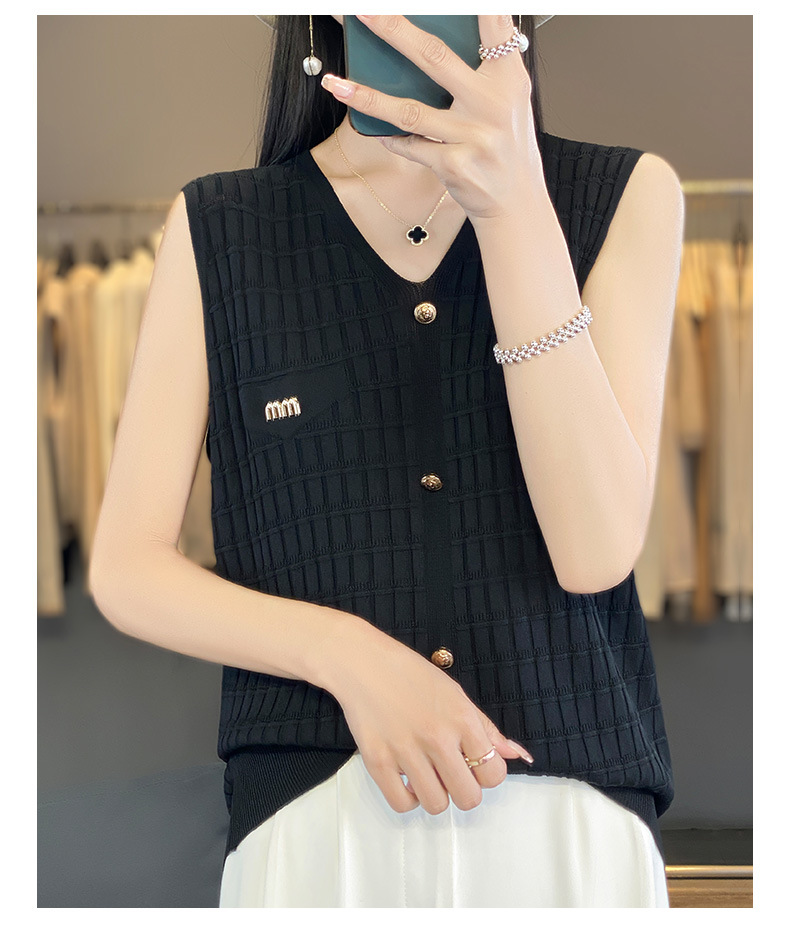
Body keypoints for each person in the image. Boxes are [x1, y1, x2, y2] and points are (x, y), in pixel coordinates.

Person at [89, 14, 683, 908]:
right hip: (316, 828)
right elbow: (127, 569)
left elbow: (593, 551)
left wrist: (513, 205)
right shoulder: (220, 224)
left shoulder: (625, 193)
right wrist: (350, 656)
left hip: (568, 830)